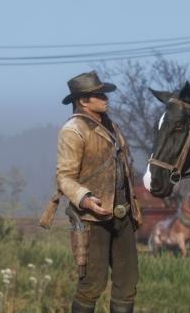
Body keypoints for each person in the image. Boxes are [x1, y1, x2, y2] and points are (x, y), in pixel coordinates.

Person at [56, 71, 142, 313]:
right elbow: (64, 177)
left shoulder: (112, 126)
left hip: (122, 213)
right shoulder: (73, 130)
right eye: (99, 94)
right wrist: (85, 199)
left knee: (128, 281)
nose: (105, 98)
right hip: (92, 217)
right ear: (83, 101)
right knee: (92, 284)